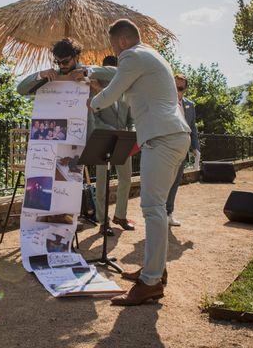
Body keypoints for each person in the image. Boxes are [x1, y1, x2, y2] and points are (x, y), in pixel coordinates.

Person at [88, 19, 191, 306]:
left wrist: (91, 101)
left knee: (152, 208)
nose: (113, 50)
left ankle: (151, 283)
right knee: (155, 207)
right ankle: (154, 271)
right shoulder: (153, 54)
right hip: (172, 134)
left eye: (112, 45)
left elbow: (112, 92)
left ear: (121, 41)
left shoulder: (131, 56)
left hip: (162, 137)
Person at [17, 38, 115, 234]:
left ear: (76, 57)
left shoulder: (87, 71)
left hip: (86, 136)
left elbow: (116, 73)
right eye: (58, 62)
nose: (61, 66)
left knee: (103, 173)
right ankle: (63, 220)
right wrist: (40, 75)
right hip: (57, 140)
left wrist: (89, 72)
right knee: (60, 181)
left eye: (66, 61)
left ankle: (104, 222)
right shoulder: (50, 76)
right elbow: (21, 89)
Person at [92, 55, 135, 235]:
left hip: (123, 141)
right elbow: (94, 119)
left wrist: (131, 130)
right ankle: (103, 221)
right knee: (102, 183)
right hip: (103, 141)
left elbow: (132, 118)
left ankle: (120, 216)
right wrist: (113, 131)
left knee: (126, 179)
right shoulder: (95, 90)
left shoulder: (126, 91)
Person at [165, 73, 200, 227]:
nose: (176, 90)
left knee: (175, 183)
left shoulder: (190, 105)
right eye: (174, 86)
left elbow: (192, 128)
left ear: (184, 89)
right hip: (166, 148)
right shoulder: (165, 102)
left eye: (180, 88)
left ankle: (169, 213)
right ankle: (158, 214)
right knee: (163, 182)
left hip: (183, 149)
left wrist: (196, 148)